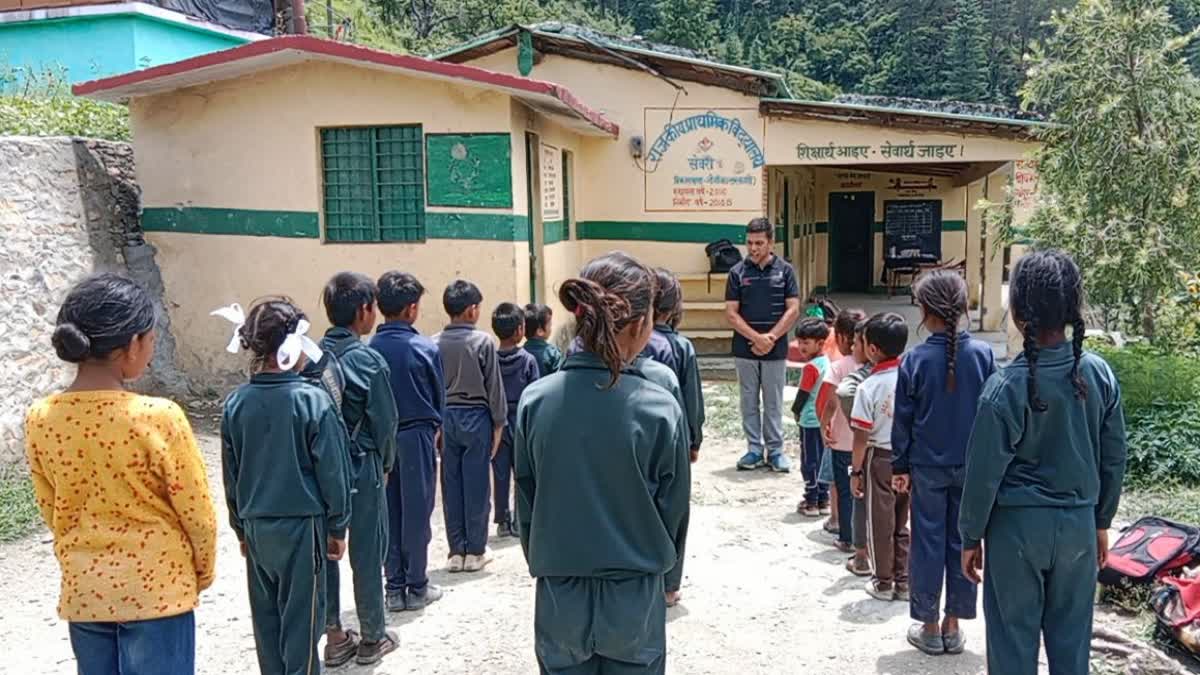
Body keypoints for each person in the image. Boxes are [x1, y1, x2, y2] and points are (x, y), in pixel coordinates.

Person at [26, 274, 217, 675]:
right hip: (158, 595)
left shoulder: (41, 419)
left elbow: (51, 509)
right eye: (150, 340)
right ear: (132, 345)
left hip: (85, 593)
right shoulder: (158, 417)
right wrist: (199, 573)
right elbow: (197, 514)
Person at [514, 252, 690, 674]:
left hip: (560, 594)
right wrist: (667, 579)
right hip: (634, 594)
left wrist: (550, 559)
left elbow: (527, 501)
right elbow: (675, 508)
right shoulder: (658, 408)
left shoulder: (536, 401)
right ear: (641, 324)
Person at [960, 250, 1127, 675]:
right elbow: (1114, 457)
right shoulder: (1099, 375)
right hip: (1078, 528)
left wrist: (970, 537)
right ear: (1073, 308)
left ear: (1017, 313)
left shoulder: (1003, 388)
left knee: (1013, 646)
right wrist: (1102, 520)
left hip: (1015, 532)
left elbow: (982, 476)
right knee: (1072, 648)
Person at [218, 298, 353, 674]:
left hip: (257, 527)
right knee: (303, 626)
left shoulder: (235, 404)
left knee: (267, 624)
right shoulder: (312, 401)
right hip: (302, 525)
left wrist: (239, 528)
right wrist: (338, 526)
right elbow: (333, 473)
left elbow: (231, 472)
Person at [891, 270, 995, 655]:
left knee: (928, 542)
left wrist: (900, 467)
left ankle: (929, 625)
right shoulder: (983, 355)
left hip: (927, 468)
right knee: (965, 541)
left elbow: (903, 421)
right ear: (962, 308)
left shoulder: (914, 359)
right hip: (972, 469)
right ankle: (955, 623)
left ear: (923, 310)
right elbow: (993, 418)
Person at [317, 272, 399, 665]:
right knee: (368, 549)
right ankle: (371, 636)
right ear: (364, 311)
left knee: (328, 551)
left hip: (320, 469)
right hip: (361, 465)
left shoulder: (310, 357)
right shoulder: (367, 360)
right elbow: (386, 423)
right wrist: (385, 464)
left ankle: (334, 636)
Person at [369, 271, 445, 613]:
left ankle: (393, 587)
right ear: (412, 308)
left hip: (380, 439)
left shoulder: (370, 350)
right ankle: (417, 584)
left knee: (388, 510)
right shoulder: (425, 347)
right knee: (417, 510)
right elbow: (438, 398)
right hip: (417, 435)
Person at [642, 268, 706, 608]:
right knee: (674, 509)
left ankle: (644, 576)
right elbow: (691, 400)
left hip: (637, 434)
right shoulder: (680, 347)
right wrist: (694, 439)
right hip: (674, 436)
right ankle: (669, 584)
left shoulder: (631, 339)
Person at [435, 280, 507, 573]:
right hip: (477, 416)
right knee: (477, 484)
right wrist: (499, 425)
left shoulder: (434, 341)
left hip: (446, 415)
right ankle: (476, 550)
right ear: (471, 310)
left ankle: (456, 551)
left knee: (451, 484)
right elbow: (494, 388)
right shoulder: (483, 342)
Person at [726, 217, 801, 472]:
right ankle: (754, 450)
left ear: (771, 242)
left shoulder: (786, 271)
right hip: (744, 348)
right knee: (748, 400)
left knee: (773, 400)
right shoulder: (737, 273)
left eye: (759, 243)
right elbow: (731, 313)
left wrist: (770, 337)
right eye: (749, 243)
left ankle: (776, 451)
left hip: (775, 348)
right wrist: (755, 338)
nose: (754, 248)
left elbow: (793, 309)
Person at [850, 312, 910, 602]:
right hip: (909, 458)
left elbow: (861, 437)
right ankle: (904, 580)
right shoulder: (912, 377)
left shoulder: (868, 387)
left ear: (872, 349)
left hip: (879, 457)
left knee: (880, 522)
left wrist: (856, 471)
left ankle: (883, 582)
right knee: (904, 520)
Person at [818, 308, 867, 553]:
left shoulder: (839, 367)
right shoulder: (873, 366)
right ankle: (865, 537)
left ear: (839, 337)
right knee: (865, 492)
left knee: (846, 491)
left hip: (841, 441)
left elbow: (830, 402)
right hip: (868, 444)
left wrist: (824, 423)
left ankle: (846, 538)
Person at [492, 302, 540, 538]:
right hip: (521, 419)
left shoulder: (490, 358)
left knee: (500, 473)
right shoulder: (527, 360)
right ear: (520, 329)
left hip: (498, 422)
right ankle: (522, 521)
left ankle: (502, 519)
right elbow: (534, 392)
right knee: (522, 471)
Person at [837, 321, 874, 577]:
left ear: (871, 348)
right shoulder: (905, 371)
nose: (852, 346)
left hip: (871, 452)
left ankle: (862, 557)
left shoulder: (863, 381)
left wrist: (856, 471)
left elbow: (843, 392)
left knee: (861, 503)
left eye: (857, 342)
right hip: (900, 454)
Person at [790, 317, 832, 511]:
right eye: (799, 342)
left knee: (809, 461)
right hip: (824, 420)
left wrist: (795, 412)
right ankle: (824, 498)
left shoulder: (811, 367)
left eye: (806, 343)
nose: (801, 346)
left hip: (809, 420)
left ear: (820, 343)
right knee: (822, 459)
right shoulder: (827, 362)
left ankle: (811, 500)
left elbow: (803, 394)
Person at [523, 303, 563, 377]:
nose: (551, 328)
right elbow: (559, 378)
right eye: (550, 325)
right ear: (540, 331)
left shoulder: (522, 353)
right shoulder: (552, 353)